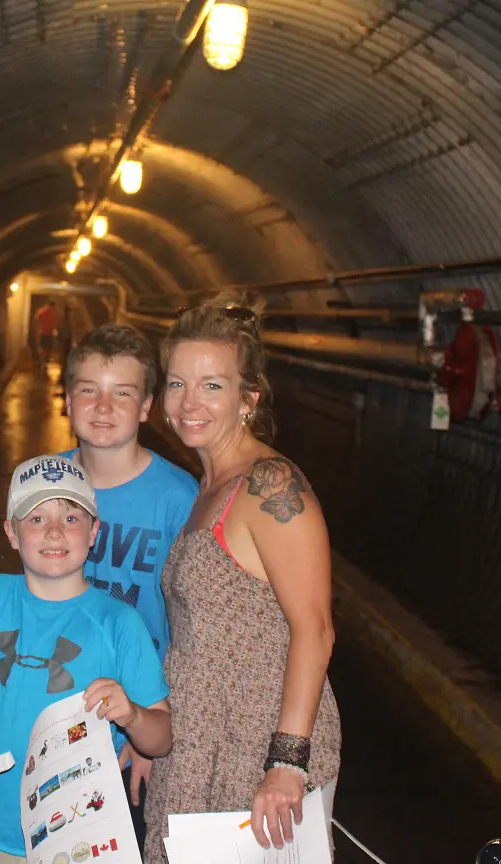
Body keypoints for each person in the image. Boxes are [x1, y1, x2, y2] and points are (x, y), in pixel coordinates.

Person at [142, 297, 342, 863]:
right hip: (196, 738)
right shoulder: (208, 487)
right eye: (178, 383)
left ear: (247, 399)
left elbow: (317, 629)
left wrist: (285, 764)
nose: (189, 402)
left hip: (256, 744)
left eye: (212, 385)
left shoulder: (271, 484)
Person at [0, 454, 173, 864]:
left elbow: (161, 737)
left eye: (71, 518)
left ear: (94, 533)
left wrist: (133, 715)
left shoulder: (119, 621)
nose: (53, 532)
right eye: (35, 519)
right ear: (11, 533)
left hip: (86, 840)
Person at [59, 324, 197, 849]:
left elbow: (189, 630)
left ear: (146, 408)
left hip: (132, 728)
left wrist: (149, 735)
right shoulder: (48, 483)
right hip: (56, 710)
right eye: (89, 389)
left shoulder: (178, 498)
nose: (102, 406)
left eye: (123, 393)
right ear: (69, 399)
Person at [32, 300, 60, 369]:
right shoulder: (54, 313)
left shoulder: (41, 312)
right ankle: (45, 362)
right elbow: (55, 325)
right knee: (48, 349)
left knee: (41, 348)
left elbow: (36, 322)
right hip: (49, 334)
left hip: (41, 333)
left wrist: (36, 331)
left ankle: (42, 362)